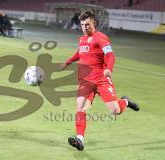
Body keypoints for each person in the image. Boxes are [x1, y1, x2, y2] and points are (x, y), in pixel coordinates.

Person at [60, 11, 139, 151]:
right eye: (83, 25)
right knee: (80, 107)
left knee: (115, 111)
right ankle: (79, 139)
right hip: (86, 81)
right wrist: (68, 62)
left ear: (94, 23)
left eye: (87, 25)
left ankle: (125, 102)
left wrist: (109, 68)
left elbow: (110, 54)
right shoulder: (82, 39)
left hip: (102, 79)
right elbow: (80, 52)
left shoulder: (101, 38)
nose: (85, 27)